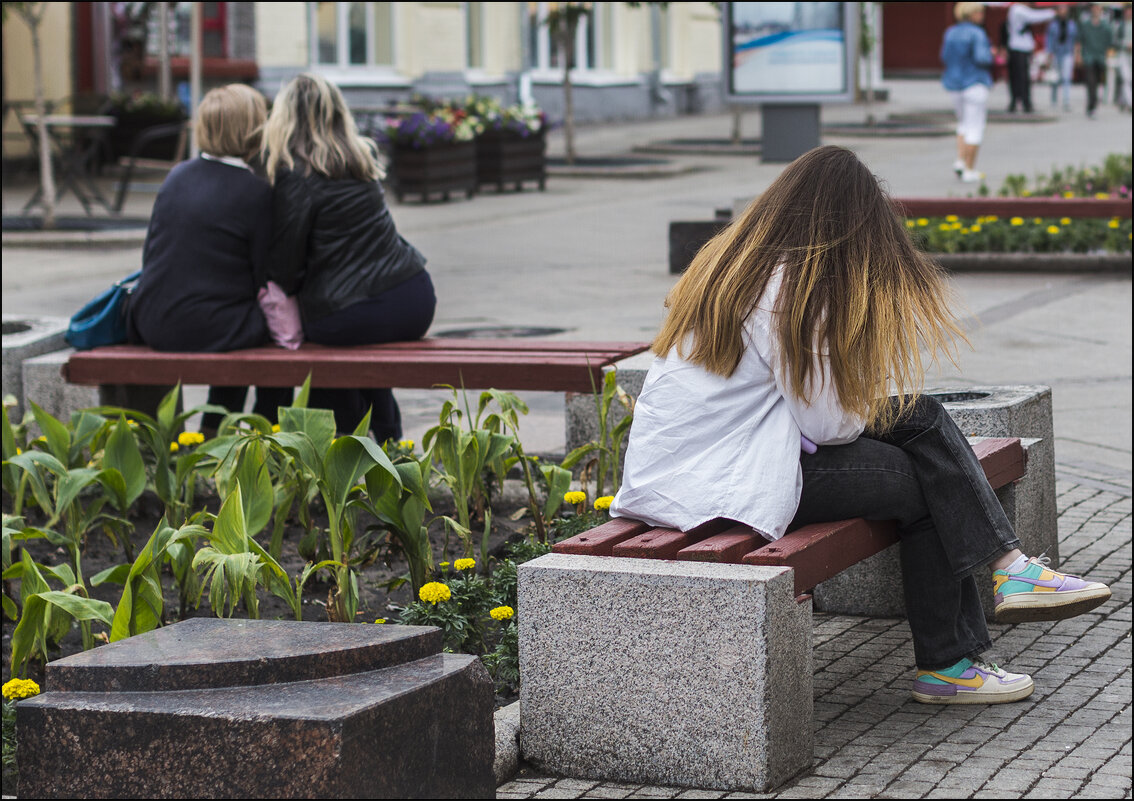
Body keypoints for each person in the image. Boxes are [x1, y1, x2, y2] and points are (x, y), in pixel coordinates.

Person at [610, 145, 1111, 705]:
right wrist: (864, 398)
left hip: (696, 468)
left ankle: (1003, 583)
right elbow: (828, 425)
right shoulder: (791, 289)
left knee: (918, 421)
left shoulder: (733, 262)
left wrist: (870, 404)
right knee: (921, 478)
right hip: (729, 482)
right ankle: (958, 649)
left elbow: (814, 413)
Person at [261, 73, 435, 441]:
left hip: (348, 312)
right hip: (414, 299)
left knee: (331, 346)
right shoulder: (361, 157)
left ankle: (343, 454)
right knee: (359, 348)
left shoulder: (295, 173)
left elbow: (284, 267)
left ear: (285, 118)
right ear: (339, 112)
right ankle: (389, 442)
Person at [127, 84, 292, 431]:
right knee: (275, 336)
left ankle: (211, 433)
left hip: (153, 321)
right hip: (208, 327)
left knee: (234, 319)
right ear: (253, 129)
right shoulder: (257, 191)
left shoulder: (176, 176)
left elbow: (151, 255)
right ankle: (270, 436)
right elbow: (265, 277)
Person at [941, 2, 994, 182]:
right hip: (975, 82)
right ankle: (970, 169)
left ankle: (960, 161)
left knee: (963, 123)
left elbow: (944, 56)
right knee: (976, 126)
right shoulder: (977, 33)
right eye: (979, 12)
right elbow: (982, 58)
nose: (982, 15)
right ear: (972, 14)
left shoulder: (950, 32)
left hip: (954, 84)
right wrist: (992, 53)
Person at [1005, 2, 1056, 112]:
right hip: (1018, 48)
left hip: (1022, 47)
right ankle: (1020, 101)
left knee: (1022, 77)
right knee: (1020, 77)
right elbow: (1033, 16)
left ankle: (1022, 101)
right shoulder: (1017, 9)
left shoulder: (1019, 10)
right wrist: (1051, 12)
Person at [1077, 3, 1115, 118]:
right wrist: (1078, 55)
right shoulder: (1085, 24)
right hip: (1089, 57)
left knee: (1097, 83)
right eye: (1093, 8)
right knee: (1090, 82)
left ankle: (1093, 103)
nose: (1095, 10)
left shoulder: (1106, 26)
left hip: (1101, 58)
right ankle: (1091, 106)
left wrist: (1109, 58)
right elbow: (1079, 41)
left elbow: (1110, 44)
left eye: (1097, 8)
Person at [1044, 4, 1078, 111]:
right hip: (1056, 53)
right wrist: (1049, 54)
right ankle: (1054, 99)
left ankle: (1066, 100)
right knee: (1055, 78)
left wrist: (1076, 54)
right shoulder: (1053, 25)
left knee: (1066, 77)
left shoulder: (1072, 24)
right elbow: (1049, 40)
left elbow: (1075, 40)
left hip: (1067, 53)